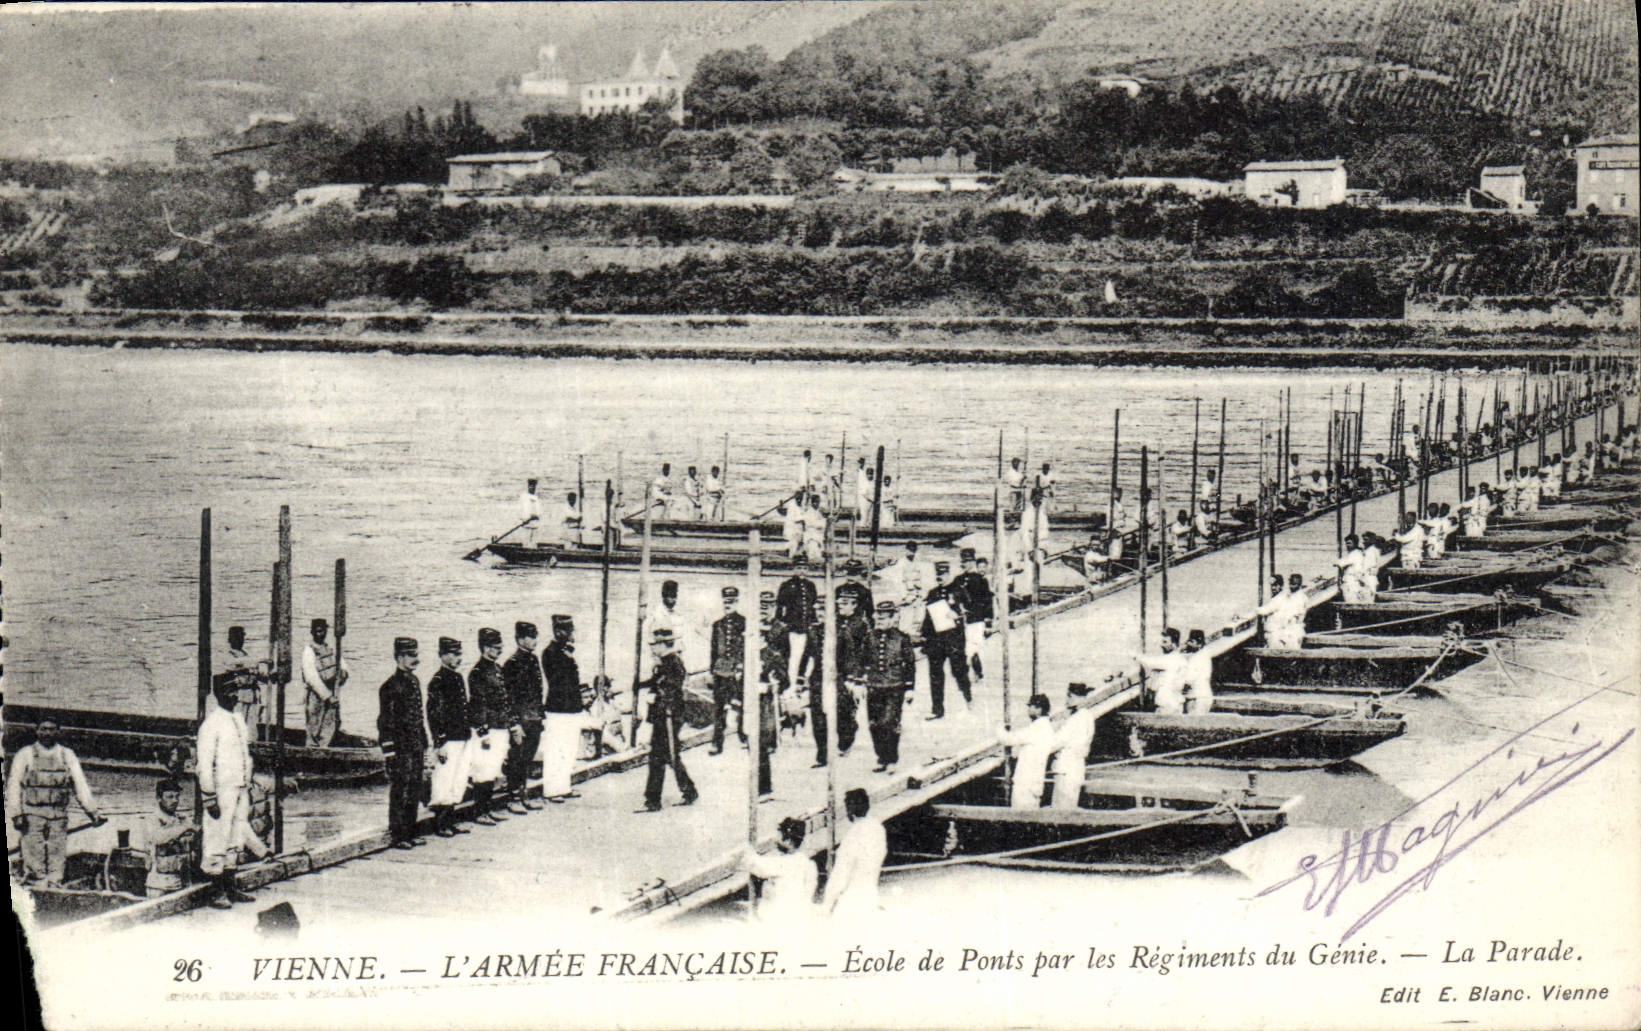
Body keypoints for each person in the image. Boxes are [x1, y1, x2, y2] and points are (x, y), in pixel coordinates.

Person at [6, 718, 103, 886]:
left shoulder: (67, 755)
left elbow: (80, 785)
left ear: (58, 731)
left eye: (52, 729)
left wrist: (93, 812)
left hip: (58, 815)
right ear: (37, 731)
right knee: (33, 852)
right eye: (43, 729)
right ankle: (37, 885)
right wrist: (16, 814)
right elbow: (14, 786)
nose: (47, 733)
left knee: (57, 852)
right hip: (32, 814)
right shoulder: (25, 754)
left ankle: (55, 884)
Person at [197, 676, 259, 908]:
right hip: (221, 790)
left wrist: (247, 779)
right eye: (229, 692)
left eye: (236, 691)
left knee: (236, 837)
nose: (234, 696)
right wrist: (208, 795)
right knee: (217, 836)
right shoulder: (211, 724)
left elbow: (245, 754)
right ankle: (216, 890)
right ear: (218, 694)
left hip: (240, 787)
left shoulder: (238, 720)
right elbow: (204, 764)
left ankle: (231, 886)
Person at [637, 628, 698, 812]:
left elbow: (672, 688)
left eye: (654, 644)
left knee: (662, 756)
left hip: (669, 717)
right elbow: (657, 681)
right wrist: (640, 685)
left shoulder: (673, 663)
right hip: (662, 717)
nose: (651, 648)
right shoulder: (663, 662)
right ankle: (688, 791)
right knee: (668, 756)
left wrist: (657, 697)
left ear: (664, 644)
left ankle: (654, 799)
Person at [379, 637, 429, 850]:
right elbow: (385, 723)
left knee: (415, 788)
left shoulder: (414, 682)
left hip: (416, 745)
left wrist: (424, 743)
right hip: (400, 748)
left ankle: (410, 830)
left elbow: (419, 716)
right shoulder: (390, 686)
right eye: (411, 655)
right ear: (399, 657)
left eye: (416, 655)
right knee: (401, 789)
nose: (415, 660)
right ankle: (398, 834)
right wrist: (389, 753)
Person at [425, 636, 472, 838]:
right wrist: (439, 742)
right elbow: (434, 714)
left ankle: (450, 820)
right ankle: (441, 823)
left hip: (462, 736)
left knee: (458, 779)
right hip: (448, 739)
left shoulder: (457, 678)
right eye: (453, 654)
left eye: (459, 654)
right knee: (444, 779)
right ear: (442, 655)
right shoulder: (438, 681)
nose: (458, 658)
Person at [465, 627, 510, 825]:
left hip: (499, 726)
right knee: (482, 770)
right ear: (484, 647)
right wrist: (483, 732)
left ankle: (487, 808)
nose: (499, 651)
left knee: (492, 768)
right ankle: (479, 811)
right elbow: (478, 704)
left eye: (500, 647)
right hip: (487, 729)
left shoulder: (497, 669)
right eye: (495, 647)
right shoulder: (477, 673)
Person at [540, 615, 587, 803]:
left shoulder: (565, 652)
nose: (571, 635)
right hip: (558, 709)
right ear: (558, 632)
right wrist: (567, 656)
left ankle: (564, 786)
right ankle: (551, 789)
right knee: (555, 750)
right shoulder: (550, 653)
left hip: (571, 709)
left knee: (568, 749)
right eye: (568, 631)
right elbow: (558, 680)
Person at [864, 600, 916, 772]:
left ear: (893, 618)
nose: (881, 621)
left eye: (885, 618)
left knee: (889, 723)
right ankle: (881, 758)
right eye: (879, 618)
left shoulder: (902, 638)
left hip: (895, 686)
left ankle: (891, 759)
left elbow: (910, 664)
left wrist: (909, 688)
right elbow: (861, 660)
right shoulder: (870, 636)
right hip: (874, 686)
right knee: (874, 724)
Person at [502, 621, 545, 813]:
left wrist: (540, 716)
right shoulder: (512, 664)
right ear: (520, 639)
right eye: (531, 637)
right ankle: (513, 797)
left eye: (535, 636)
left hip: (534, 717)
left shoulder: (533, 659)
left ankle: (523, 793)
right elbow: (508, 698)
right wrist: (514, 723)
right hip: (521, 719)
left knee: (527, 757)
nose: (535, 640)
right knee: (517, 758)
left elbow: (538, 691)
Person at [824, 788, 886, 919]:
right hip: (871, 895)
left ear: (849, 810)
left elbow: (841, 873)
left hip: (850, 901)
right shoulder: (878, 828)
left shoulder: (853, 835)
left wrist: (828, 903)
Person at [921, 561, 971, 720]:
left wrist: (958, 617)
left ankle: (967, 697)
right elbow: (928, 617)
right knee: (935, 674)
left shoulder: (958, 591)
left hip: (954, 639)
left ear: (948, 574)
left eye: (942, 574)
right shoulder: (932, 593)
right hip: (936, 641)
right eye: (938, 575)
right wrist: (925, 637)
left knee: (959, 670)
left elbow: (970, 611)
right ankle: (937, 709)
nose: (940, 577)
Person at [744, 817, 817, 924]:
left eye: (779, 838)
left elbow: (756, 865)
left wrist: (749, 852)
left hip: (781, 916)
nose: (775, 842)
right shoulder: (808, 863)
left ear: (788, 841)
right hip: (800, 915)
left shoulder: (783, 863)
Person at [997, 694, 1056, 808]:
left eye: (1031, 706)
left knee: (1019, 814)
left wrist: (999, 728)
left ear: (1039, 709)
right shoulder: (1047, 727)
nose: (1028, 709)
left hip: (1026, 782)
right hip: (1034, 782)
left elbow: (1009, 739)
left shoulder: (1037, 728)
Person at [298, 617, 348, 747]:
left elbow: (342, 665)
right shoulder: (308, 651)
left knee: (330, 723)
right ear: (312, 632)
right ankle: (312, 750)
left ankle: (326, 747)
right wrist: (326, 696)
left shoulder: (330, 648)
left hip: (332, 690)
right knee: (314, 724)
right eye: (318, 631)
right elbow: (311, 678)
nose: (321, 634)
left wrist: (343, 674)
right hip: (316, 694)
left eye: (323, 631)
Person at [143, 778, 197, 897]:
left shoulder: (181, 819)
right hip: (159, 884)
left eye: (177, 797)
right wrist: (186, 827)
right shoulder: (152, 819)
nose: (175, 801)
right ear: (159, 798)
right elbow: (159, 838)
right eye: (170, 797)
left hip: (181, 881)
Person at [708, 587, 746, 755]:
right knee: (718, 708)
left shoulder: (744, 622)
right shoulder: (718, 625)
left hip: (737, 671)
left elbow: (746, 648)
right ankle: (717, 742)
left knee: (741, 704)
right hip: (720, 671)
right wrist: (712, 671)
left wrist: (741, 666)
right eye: (725, 602)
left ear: (737, 602)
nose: (728, 605)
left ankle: (744, 736)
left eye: (731, 602)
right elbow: (713, 650)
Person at [1048, 683, 1098, 810]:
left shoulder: (1076, 719)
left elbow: (1057, 741)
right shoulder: (1087, 716)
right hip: (1076, 766)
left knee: (1061, 806)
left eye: (1070, 696)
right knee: (1069, 804)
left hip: (1066, 767)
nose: (1066, 700)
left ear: (1079, 697)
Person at [951, 547, 993, 685]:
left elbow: (987, 601)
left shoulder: (981, 580)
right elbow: (951, 596)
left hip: (976, 619)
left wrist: (988, 622)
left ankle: (978, 673)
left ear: (973, 562)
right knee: (964, 648)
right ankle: (972, 673)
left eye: (969, 561)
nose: (967, 564)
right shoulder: (958, 580)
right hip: (962, 620)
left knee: (974, 648)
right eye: (965, 561)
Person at [776, 558, 817, 688]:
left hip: (806, 624)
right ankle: (786, 677)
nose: (801, 571)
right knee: (788, 653)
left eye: (804, 568)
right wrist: (780, 622)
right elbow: (780, 606)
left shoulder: (811, 586)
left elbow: (812, 605)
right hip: (791, 625)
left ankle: (801, 676)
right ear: (794, 569)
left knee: (808, 651)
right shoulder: (787, 585)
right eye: (799, 568)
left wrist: (813, 621)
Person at [224, 625, 268, 739]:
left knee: (251, 732)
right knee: (236, 730)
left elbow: (256, 672)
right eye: (236, 637)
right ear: (230, 639)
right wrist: (260, 660)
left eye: (241, 637)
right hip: (237, 697)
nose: (240, 640)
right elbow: (234, 665)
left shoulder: (246, 655)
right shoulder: (228, 656)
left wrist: (268, 676)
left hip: (251, 696)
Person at [1135, 627, 1185, 714]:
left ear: (1174, 644)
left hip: (1166, 704)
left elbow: (1150, 663)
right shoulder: (1181, 659)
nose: (1161, 645)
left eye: (1165, 642)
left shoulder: (1170, 659)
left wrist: (1136, 656)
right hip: (1176, 702)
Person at [519, 478, 542, 546]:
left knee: (534, 545)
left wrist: (536, 516)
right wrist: (525, 518)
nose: (532, 488)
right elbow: (521, 510)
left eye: (533, 486)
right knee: (525, 544)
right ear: (528, 486)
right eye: (531, 486)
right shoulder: (524, 497)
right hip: (526, 525)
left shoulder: (537, 498)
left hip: (535, 525)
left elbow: (539, 512)